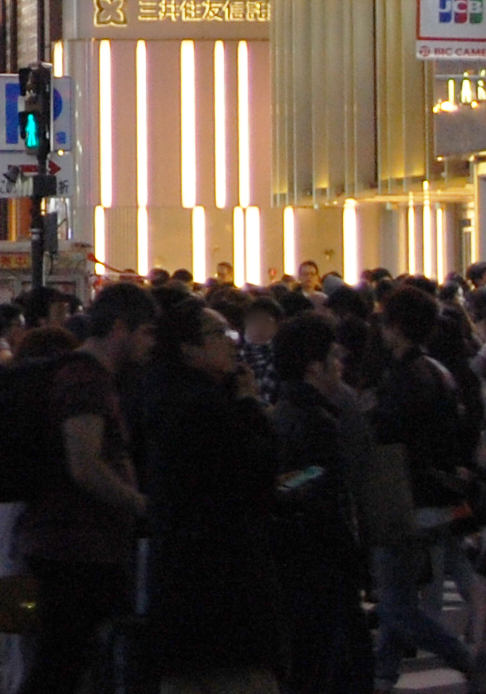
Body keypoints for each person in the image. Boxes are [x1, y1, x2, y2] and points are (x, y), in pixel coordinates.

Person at [138, 296, 282, 692]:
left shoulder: (164, 394)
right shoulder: (203, 406)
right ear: (188, 347)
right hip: (221, 570)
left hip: (182, 567)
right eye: (219, 334)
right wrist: (250, 405)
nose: (232, 343)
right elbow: (257, 465)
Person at [17, 282, 154, 694]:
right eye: (146, 332)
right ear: (120, 328)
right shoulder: (86, 380)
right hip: (76, 543)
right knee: (62, 663)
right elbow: (85, 464)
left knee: (65, 661)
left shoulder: (87, 375)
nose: (150, 344)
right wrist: (139, 504)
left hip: (71, 539)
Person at [368, 285, 477, 683]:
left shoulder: (403, 378)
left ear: (396, 326)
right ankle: (383, 674)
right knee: (399, 594)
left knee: (396, 602)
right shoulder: (436, 372)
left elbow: (391, 437)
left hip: (406, 497)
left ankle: (469, 662)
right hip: (434, 494)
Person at [267, 314, 370, 694]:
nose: (339, 365)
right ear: (314, 366)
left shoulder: (281, 412)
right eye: (332, 357)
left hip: (297, 555)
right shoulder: (315, 420)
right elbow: (309, 477)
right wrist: (311, 476)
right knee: (331, 660)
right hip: (320, 554)